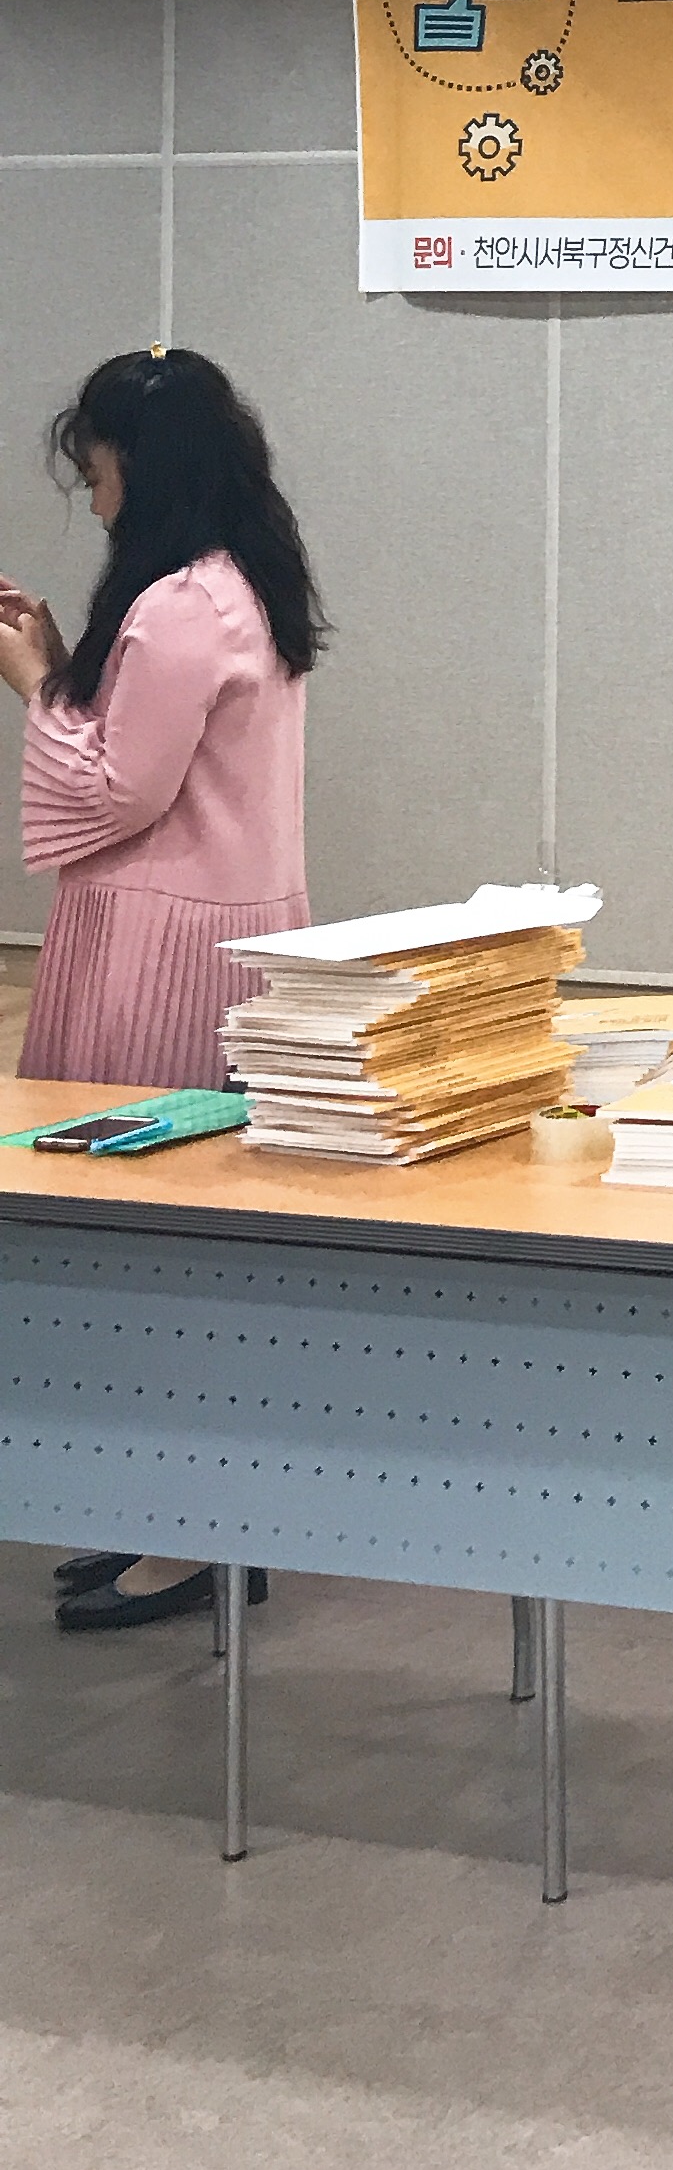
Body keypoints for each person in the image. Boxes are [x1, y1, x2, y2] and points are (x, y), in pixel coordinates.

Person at [0, 346, 323, 1632]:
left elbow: (118, 790)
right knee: (179, 1253)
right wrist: (64, 657)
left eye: (97, 473)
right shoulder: (244, 584)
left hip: (162, 948)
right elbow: (147, 748)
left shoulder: (183, 604)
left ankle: (195, 1536)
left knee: (144, 1248)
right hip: (217, 932)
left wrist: (32, 685)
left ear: (144, 466)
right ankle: (163, 1514)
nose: (94, 499)